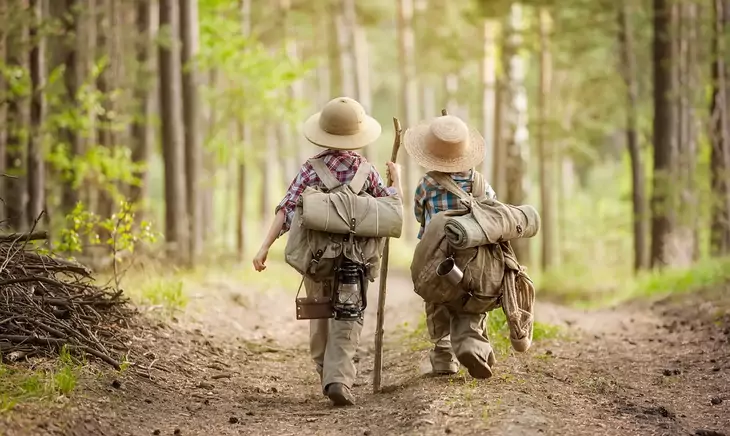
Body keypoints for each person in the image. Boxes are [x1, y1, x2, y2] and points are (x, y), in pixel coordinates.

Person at [252, 96, 402, 406]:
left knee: (319, 314)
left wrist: (265, 246)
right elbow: (391, 211)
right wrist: (396, 180)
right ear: (357, 135)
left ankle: (325, 369)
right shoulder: (368, 171)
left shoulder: (311, 169)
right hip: (355, 260)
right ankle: (339, 379)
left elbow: (287, 208)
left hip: (316, 259)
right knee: (349, 317)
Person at [405, 114, 498, 378]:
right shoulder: (481, 184)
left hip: (438, 257)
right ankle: (472, 343)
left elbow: (419, 216)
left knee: (437, 299)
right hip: (475, 257)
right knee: (473, 299)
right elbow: (492, 213)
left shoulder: (427, 184)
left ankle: (444, 354)